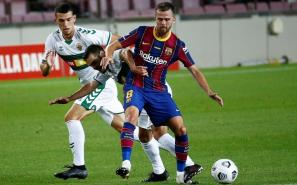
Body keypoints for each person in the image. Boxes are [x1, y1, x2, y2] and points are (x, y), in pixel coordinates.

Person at [101, 2, 224, 184]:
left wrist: (209, 91)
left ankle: (181, 173)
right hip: (136, 86)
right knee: (133, 118)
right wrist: (109, 54)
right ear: (155, 18)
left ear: (173, 20)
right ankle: (127, 164)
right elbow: (117, 47)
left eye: (167, 19)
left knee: (177, 129)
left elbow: (194, 70)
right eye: (160, 19)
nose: (163, 23)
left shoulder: (176, 45)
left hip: (159, 91)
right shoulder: (142, 32)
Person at [49, 44, 200, 182]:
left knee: (150, 135)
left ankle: (181, 166)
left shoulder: (114, 56)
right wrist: (69, 98)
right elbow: (90, 86)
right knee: (154, 134)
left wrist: (133, 67)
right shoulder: (105, 71)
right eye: (91, 66)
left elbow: (126, 52)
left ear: (103, 54)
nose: (95, 67)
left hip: (153, 92)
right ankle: (169, 170)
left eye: (95, 63)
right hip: (146, 93)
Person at [40, 2, 125, 180]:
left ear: (74, 19)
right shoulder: (53, 39)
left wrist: (108, 55)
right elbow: (45, 66)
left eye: (69, 20)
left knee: (71, 118)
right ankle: (184, 162)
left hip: (100, 84)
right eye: (61, 21)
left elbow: (118, 39)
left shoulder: (86, 35)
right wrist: (46, 66)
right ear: (56, 21)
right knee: (127, 130)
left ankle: (79, 167)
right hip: (90, 87)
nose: (65, 25)